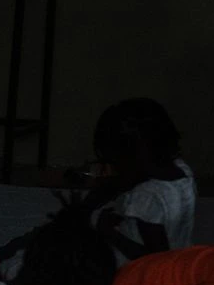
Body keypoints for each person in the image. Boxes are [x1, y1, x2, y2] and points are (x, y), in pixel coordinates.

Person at [84, 98, 195, 264]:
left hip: (136, 274)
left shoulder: (146, 196)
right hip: (180, 256)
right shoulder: (183, 172)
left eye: (115, 162)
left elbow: (155, 259)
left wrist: (109, 232)